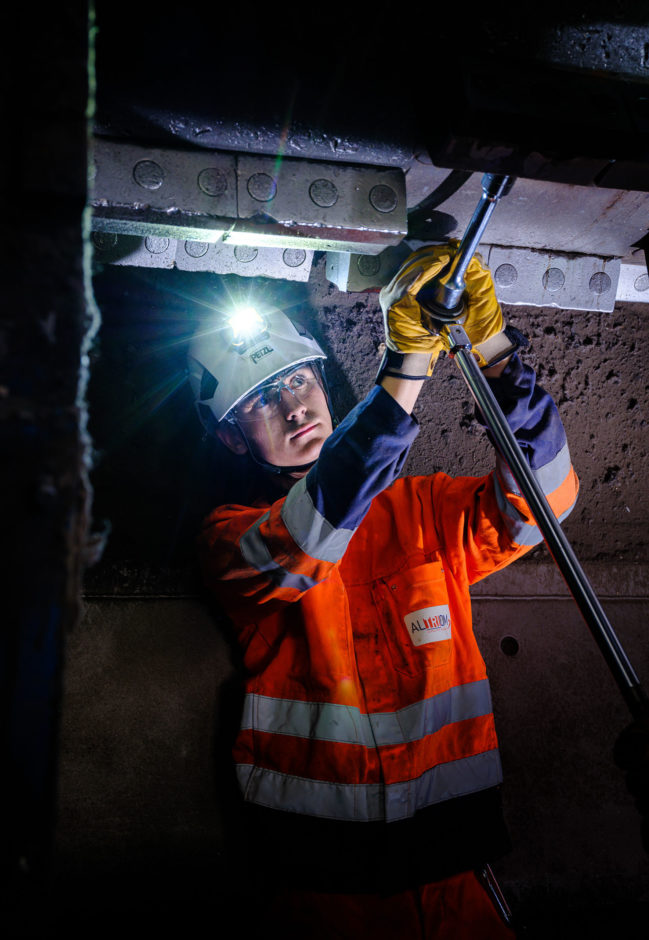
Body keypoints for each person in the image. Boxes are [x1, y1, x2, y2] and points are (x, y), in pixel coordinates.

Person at [187, 244, 579, 939]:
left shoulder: (422, 513)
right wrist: (404, 368)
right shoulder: (230, 539)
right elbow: (306, 539)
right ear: (231, 438)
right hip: (323, 894)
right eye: (259, 401)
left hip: (455, 876)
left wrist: (491, 350)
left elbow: (547, 498)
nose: (291, 405)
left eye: (298, 379)